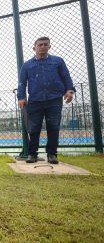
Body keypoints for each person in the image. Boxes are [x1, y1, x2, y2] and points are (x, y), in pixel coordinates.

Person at [17, 36, 75, 164]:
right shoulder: (27, 65)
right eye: (40, 45)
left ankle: (52, 154)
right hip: (35, 101)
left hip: (54, 99)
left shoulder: (58, 61)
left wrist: (69, 90)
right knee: (34, 128)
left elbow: (66, 77)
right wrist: (21, 97)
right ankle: (32, 154)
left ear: (49, 46)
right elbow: (22, 82)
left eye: (45, 44)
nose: (43, 46)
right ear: (34, 48)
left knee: (53, 126)